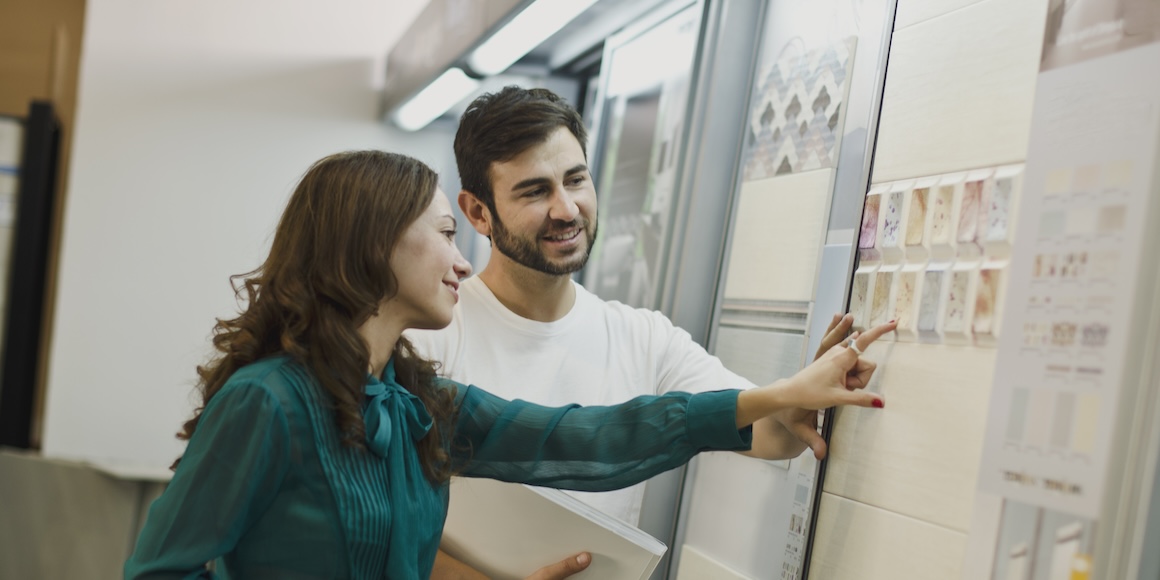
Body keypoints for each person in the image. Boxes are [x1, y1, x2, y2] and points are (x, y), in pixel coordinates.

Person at [124, 150, 888, 580]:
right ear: (374, 242)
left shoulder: (417, 401)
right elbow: (160, 573)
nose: (461, 263)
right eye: (445, 233)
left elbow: (585, 437)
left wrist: (779, 395)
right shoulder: (270, 403)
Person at [406, 87, 892, 578]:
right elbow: (386, 533)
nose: (567, 209)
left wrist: (798, 399)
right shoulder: (428, 336)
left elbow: (770, 434)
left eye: (576, 180)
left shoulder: (644, 338)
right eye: (535, 191)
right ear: (477, 212)